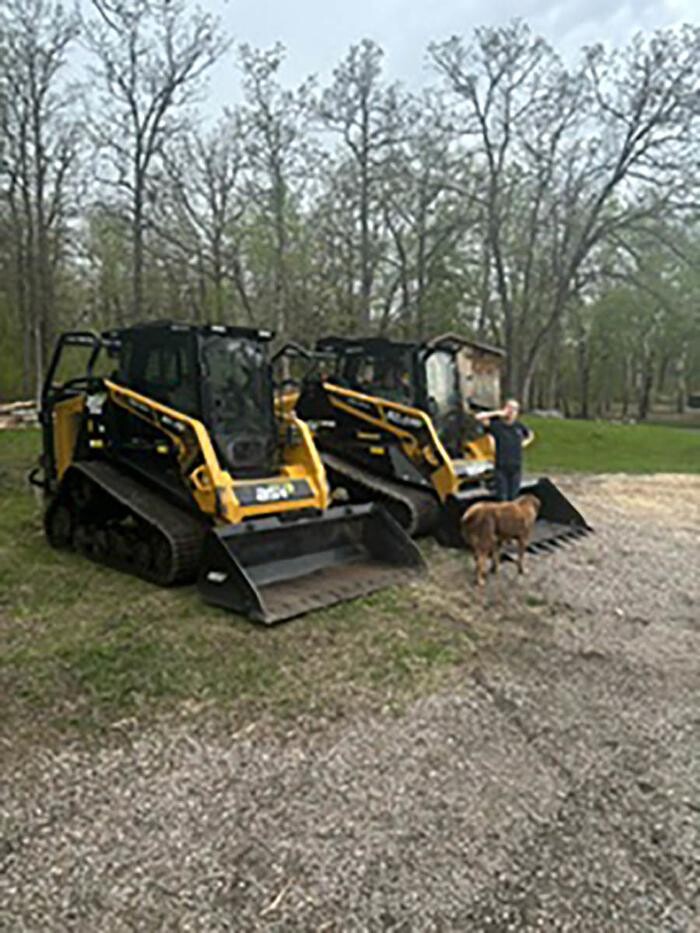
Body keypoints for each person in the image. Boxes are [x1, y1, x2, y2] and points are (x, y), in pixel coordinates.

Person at [475, 399, 533, 501]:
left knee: (513, 497)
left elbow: (530, 435)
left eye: (514, 409)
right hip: (501, 467)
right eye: (509, 408)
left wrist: (523, 444)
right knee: (502, 497)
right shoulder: (497, 426)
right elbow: (479, 417)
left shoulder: (519, 427)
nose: (511, 411)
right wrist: (498, 413)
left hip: (516, 467)